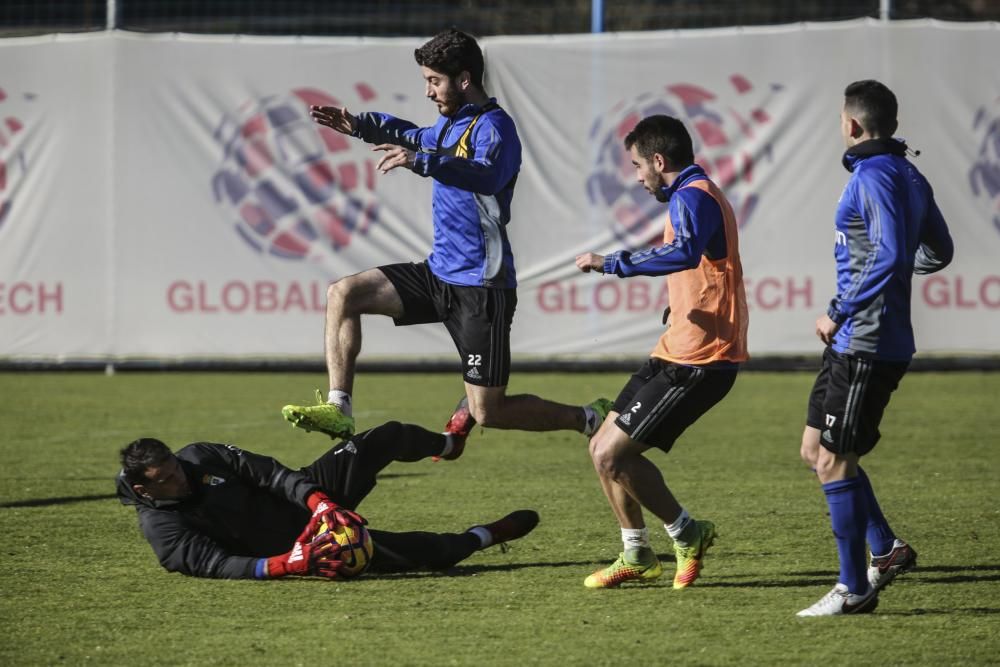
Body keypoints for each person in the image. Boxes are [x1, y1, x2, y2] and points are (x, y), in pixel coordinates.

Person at [280, 28, 610, 445]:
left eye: (434, 81)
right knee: (344, 293)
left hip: (481, 286)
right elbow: (414, 137)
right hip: (439, 274)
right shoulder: (449, 126)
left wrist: (424, 162)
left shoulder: (496, 128)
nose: (428, 92)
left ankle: (588, 417)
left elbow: (488, 175)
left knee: (489, 411)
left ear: (465, 80)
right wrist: (361, 125)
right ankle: (339, 408)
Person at [796, 80, 953, 617]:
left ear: (852, 125)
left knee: (836, 461)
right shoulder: (910, 173)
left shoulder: (875, 174)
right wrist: (899, 273)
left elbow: (887, 253)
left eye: (842, 117)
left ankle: (852, 588)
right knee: (815, 451)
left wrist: (842, 307)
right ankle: (886, 550)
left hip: (865, 338)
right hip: (853, 339)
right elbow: (941, 251)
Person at [573, 115, 749, 589]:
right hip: (676, 350)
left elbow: (687, 252)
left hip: (703, 360)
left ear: (658, 160)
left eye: (636, 166)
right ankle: (637, 553)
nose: (636, 177)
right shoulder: (694, 195)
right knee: (599, 448)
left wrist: (611, 262)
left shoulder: (693, 195)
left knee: (614, 455)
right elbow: (697, 266)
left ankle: (687, 533)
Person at [116, 420, 539, 579]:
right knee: (425, 553)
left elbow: (271, 474)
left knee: (386, 436)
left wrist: (319, 501)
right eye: (166, 479)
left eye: (175, 466)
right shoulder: (162, 529)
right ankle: (484, 536)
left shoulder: (198, 455)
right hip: (297, 545)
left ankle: (449, 443)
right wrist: (290, 563)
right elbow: (215, 565)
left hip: (305, 498)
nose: (180, 478)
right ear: (144, 490)